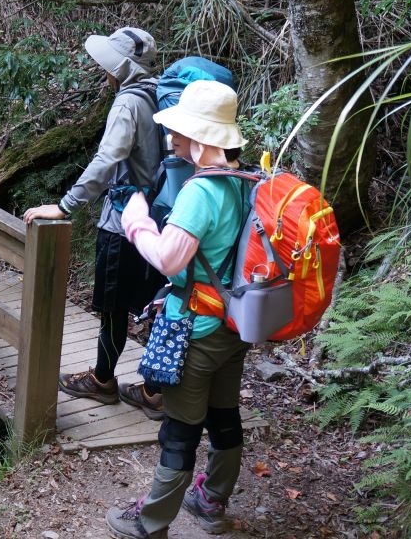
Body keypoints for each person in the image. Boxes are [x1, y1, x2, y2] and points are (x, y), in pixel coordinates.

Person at [105, 80, 250, 539]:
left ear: (202, 139)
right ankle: (211, 501)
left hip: (197, 328)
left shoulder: (200, 192)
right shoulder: (244, 182)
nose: (172, 138)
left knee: (179, 430)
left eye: (180, 131)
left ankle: (151, 523)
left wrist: (136, 223)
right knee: (224, 416)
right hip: (232, 324)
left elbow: (169, 260)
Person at [23, 27, 166, 419]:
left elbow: (107, 160)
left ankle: (103, 380)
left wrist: (65, 206)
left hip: (124, 222)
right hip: (161, 219)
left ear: (119, 68)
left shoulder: (128, 103)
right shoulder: (162, 93)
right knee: (156, 305)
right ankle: (154, 389)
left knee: (113, 307)